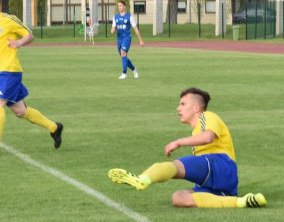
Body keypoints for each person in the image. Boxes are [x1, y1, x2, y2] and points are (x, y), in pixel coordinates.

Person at [108, 87, 266, 209]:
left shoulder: (206, 116)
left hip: (220, 164)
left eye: (183, 104)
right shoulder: (197, 128)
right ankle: (241, 202)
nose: (178, 108)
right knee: (179, 197)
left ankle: (143, 179)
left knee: (176, 166)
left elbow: (208, 137)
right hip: (219, 182)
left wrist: (178, 142)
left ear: (196, 107)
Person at [0, 0, 63, 155]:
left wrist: (18, 43)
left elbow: (29, 35)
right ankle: (54, 128)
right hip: (0, 74)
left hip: (10, 70)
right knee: (20, 111)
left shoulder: (9, 20)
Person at [111, 0, 144, 79]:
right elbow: (113, 27)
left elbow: (135, 29)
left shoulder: (129, 17)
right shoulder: (115, 17)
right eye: (118, 6)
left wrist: (140, 40)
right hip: (119, 39)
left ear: (124, 7)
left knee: (123, 53)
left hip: (126, 38)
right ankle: (134, 69)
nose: (119, 7)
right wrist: (112, 30)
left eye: (121, 5)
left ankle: (124, 73)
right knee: (123, 57)